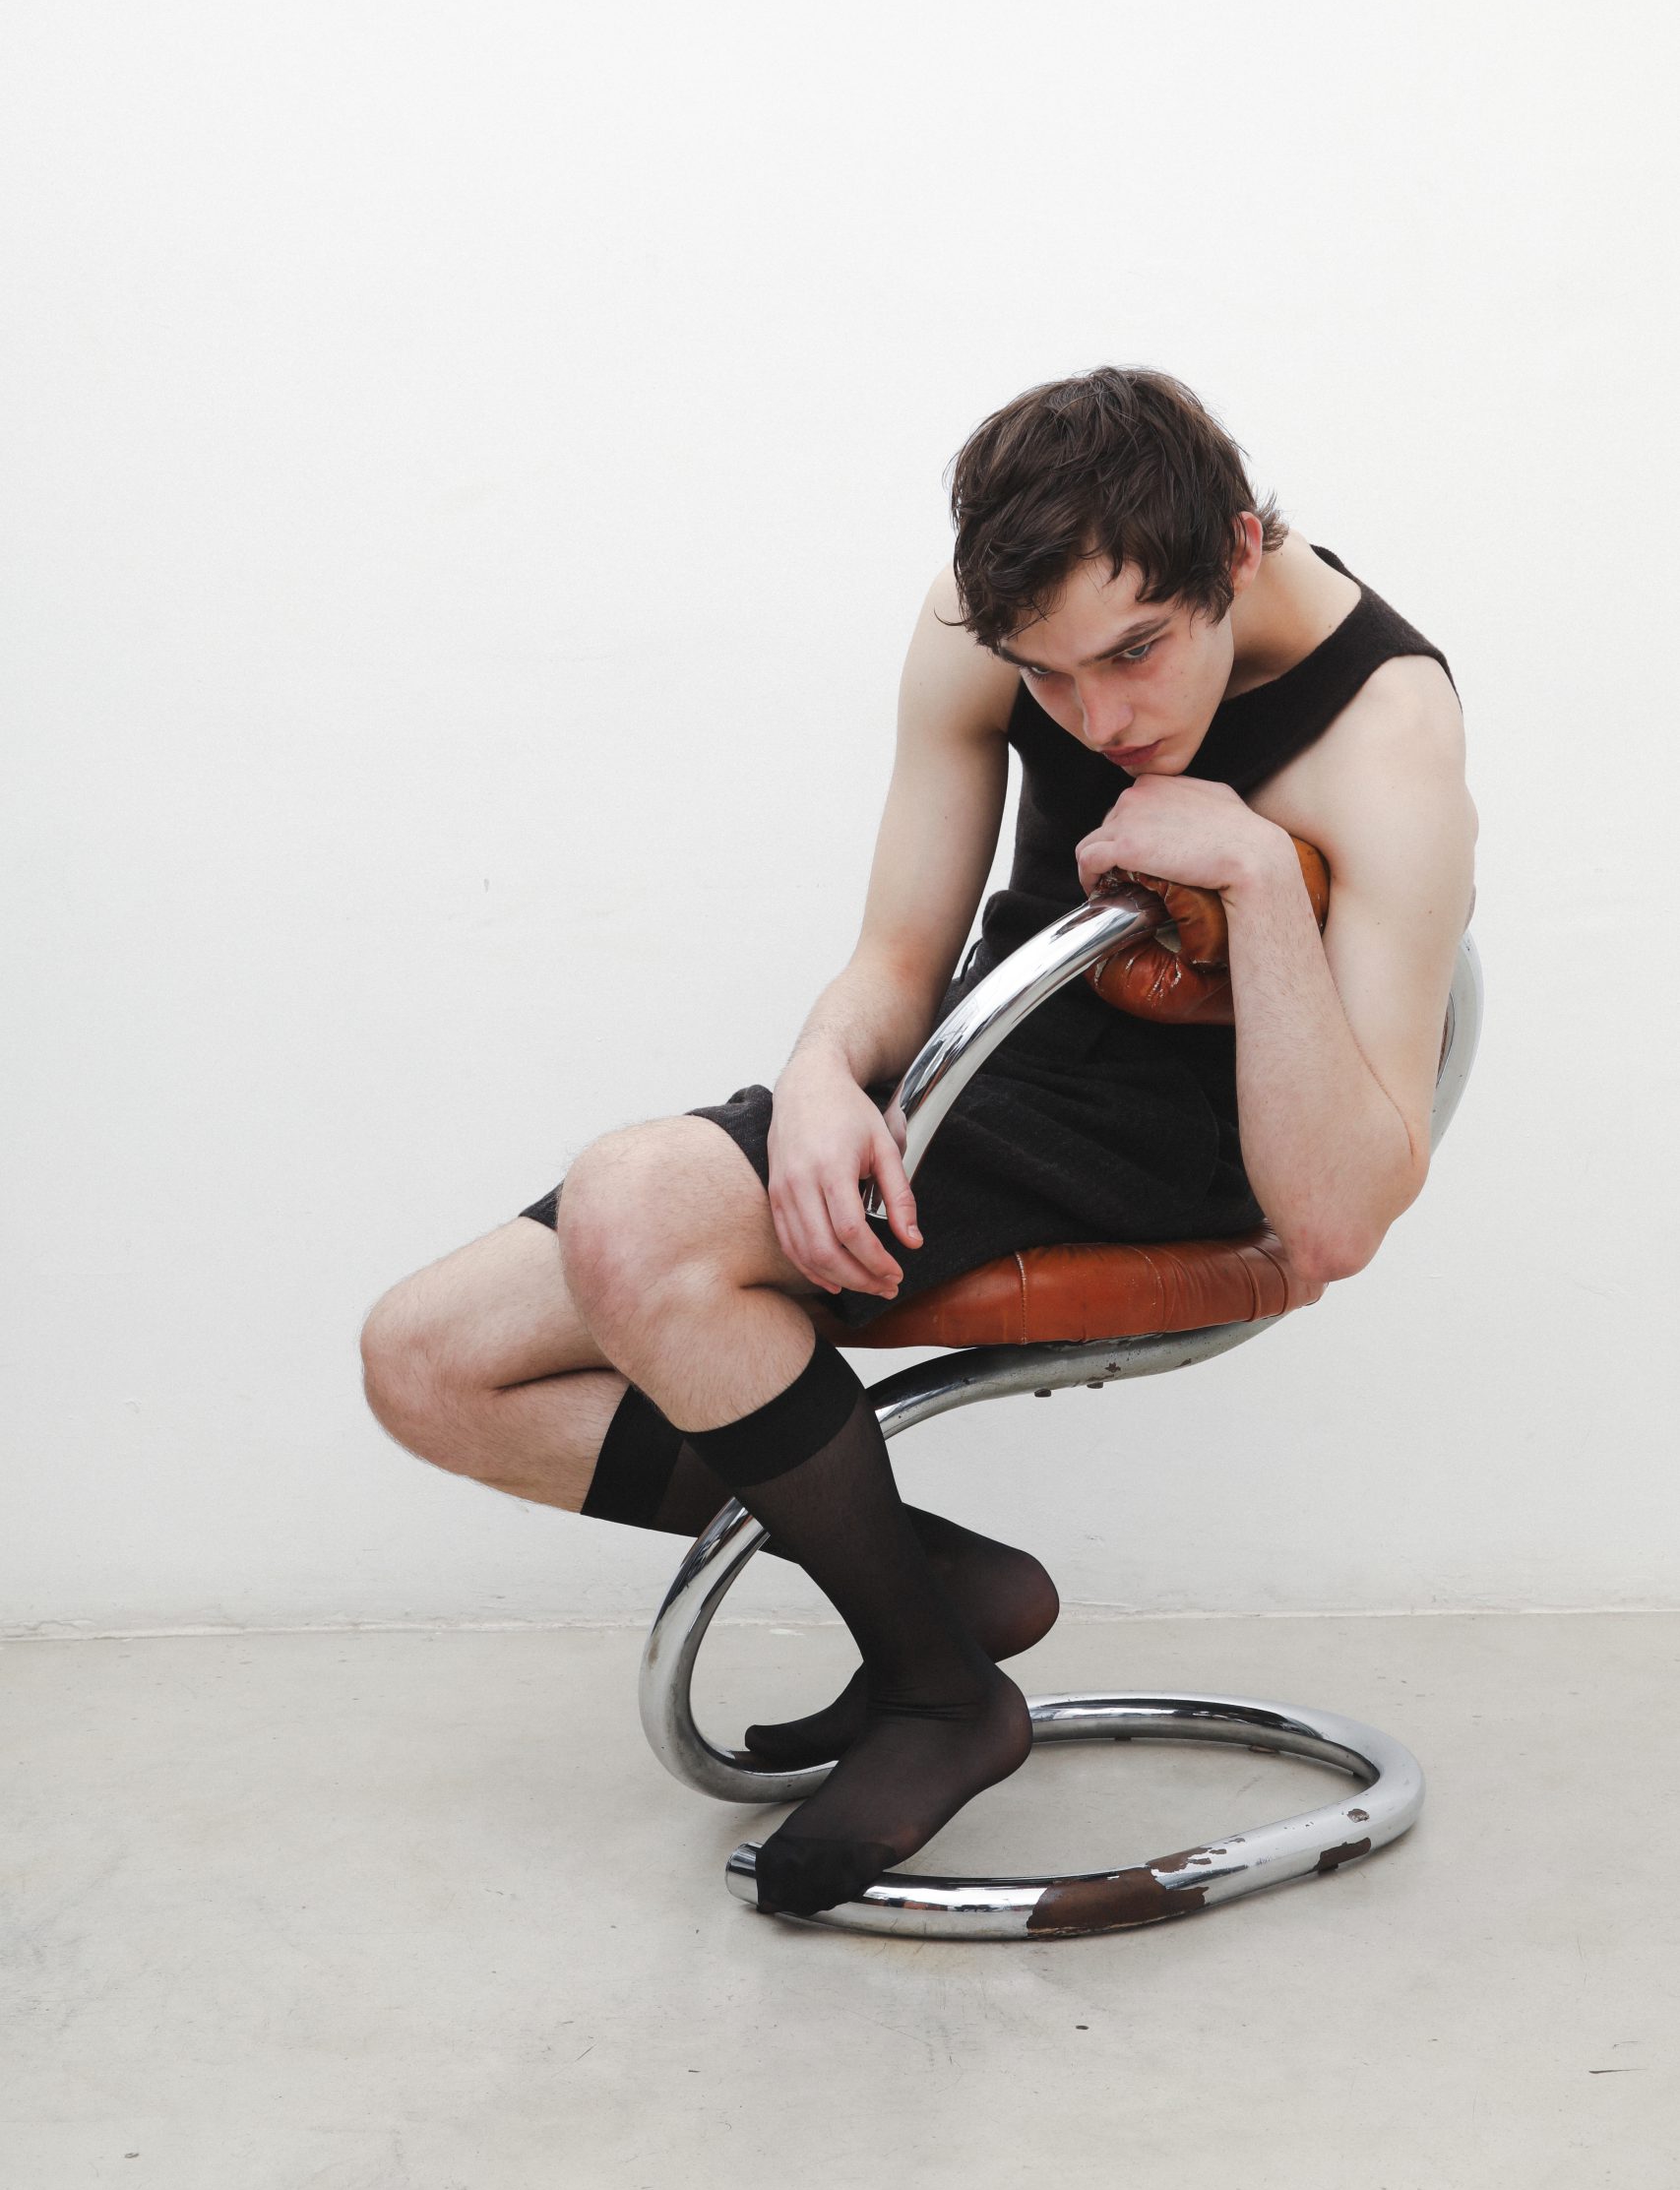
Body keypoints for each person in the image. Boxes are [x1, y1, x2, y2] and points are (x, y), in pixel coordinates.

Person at [359, 365, 1477, 1922]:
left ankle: (937, 1692)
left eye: (1136, 654)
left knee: (635, 1210)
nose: (1103, 720)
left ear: (1236, 549)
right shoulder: (982, 617)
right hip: (982, 1073)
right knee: (429, 1362)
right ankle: (928, 1591)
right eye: (1050, 678)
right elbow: (898, 960)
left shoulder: (1387, 732)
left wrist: (1259, 880)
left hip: (1186, 1141)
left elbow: (1339, 1216)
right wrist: (823, 1072)